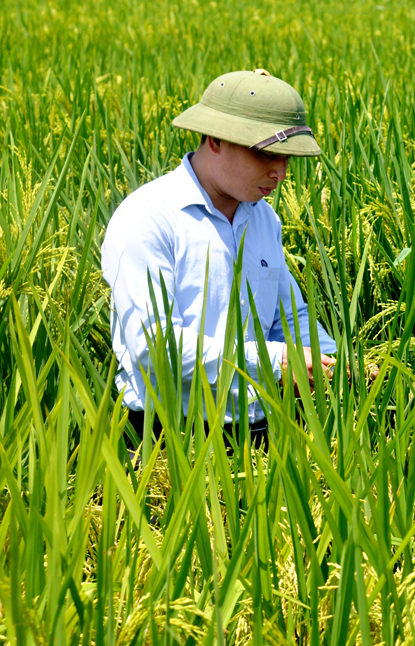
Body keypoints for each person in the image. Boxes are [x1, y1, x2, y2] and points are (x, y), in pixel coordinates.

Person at [102, 69, 336, 443]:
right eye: (266, 154)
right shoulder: (147, 219)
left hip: (258, 433)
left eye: (288, 159)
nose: (279, 173)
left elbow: (288, 314)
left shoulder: (263, 218)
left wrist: (333, 365)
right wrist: (275, 361)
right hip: (168, 441)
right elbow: (153, 347)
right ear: (214, 139)